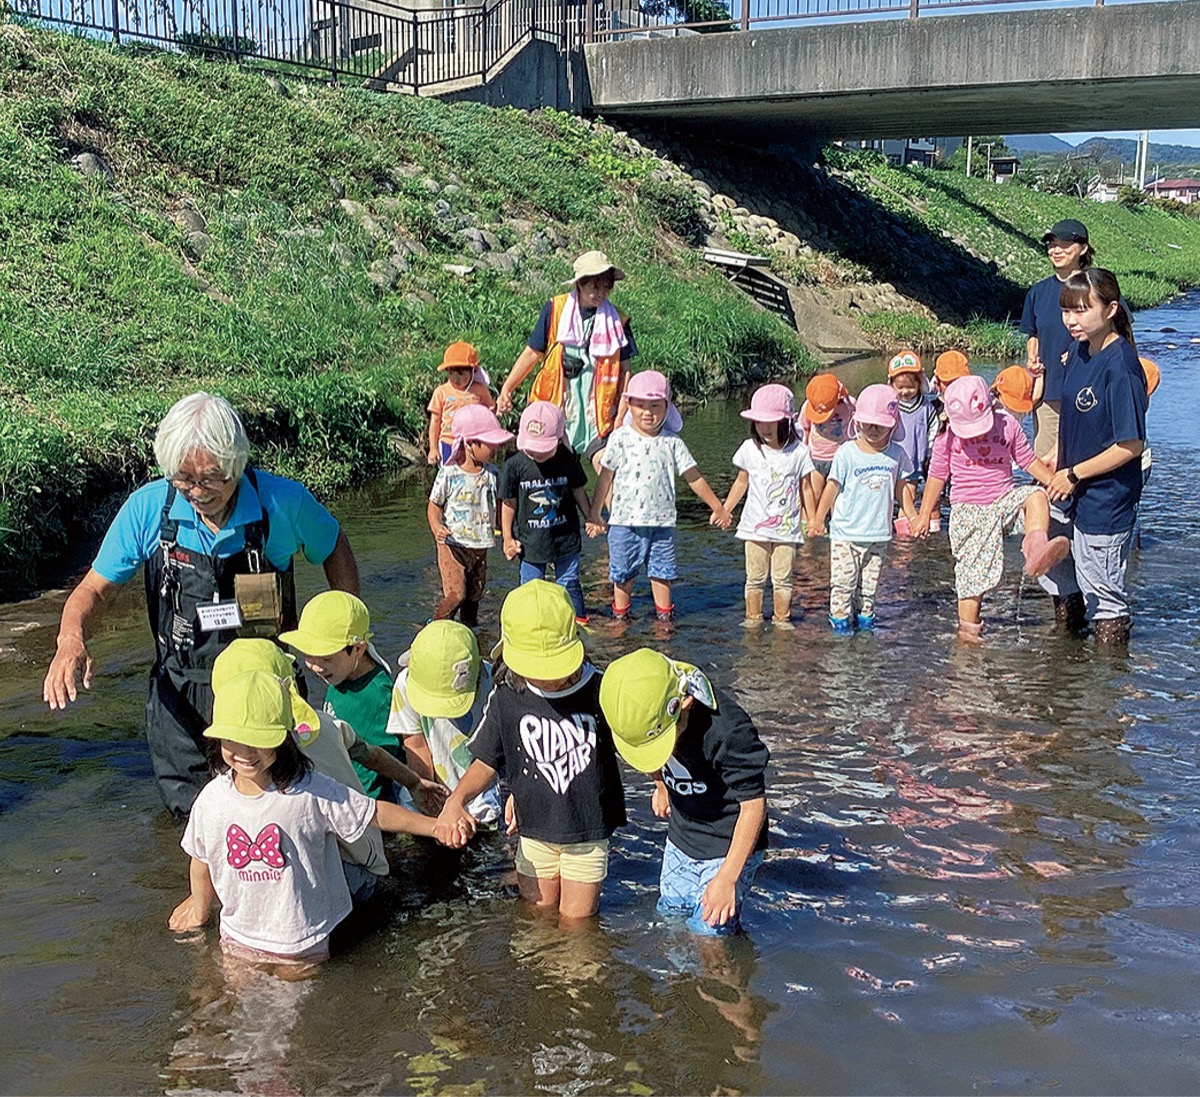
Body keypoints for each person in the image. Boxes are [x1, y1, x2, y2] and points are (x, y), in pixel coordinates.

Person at [42, 392, 359, 819]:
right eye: (184, 479)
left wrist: (344, 630)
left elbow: (334, 544)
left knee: (278, 810)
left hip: (266, 689)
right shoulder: (148, 510)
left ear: (239, 463)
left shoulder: (283, 503)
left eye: (213, 478)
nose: (198, 492)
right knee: (195, 821)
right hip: (180, 695)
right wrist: (70, 640)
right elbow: (94, 590)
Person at [168, 670, 469, 964]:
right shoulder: (212, 799)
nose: (246, 752)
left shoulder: (310, 790)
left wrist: (435, 827)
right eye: (234, 739)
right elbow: (201, 858)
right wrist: (200, 906)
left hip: (301, 940)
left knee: (301, 1009)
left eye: (259, 740)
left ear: (284, 738)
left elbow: (373, 813)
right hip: (239, 936)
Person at [433, 581, 627, 922]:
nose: (545, 678)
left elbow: (637, 741)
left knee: (577, 924)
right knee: (536, 918)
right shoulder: (507, 694)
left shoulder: (602, 689)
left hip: (587, 831)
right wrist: (456, 800)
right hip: (534, 829)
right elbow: (487, 759)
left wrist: (659, 781)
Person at [210, 640, 448, 903]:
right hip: (359, 857)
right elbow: (371, 755)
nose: (245, 751)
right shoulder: (326, 724)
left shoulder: (254, 768)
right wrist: (415, 783)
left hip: (346, 872)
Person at [599, 648, 769, 937]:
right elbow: (644, 753)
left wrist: (728, 878)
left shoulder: (728, 732)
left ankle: (726, 978)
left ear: (685, 703)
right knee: (671, 916)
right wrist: (660, 783)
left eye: (663, 742)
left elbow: (754, 806)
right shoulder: (630, 712)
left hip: (726, 846)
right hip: (681, 840)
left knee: (711, 934)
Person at [912, 375, 1069, 641]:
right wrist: (924, 514)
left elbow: (1028, 460)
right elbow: (937, 476)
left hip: (1003, 501)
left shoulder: (1006, 425)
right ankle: (968, 632)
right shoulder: (946, 437)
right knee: (972, 577)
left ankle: (1036, 550)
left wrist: (1054, 481)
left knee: (1037, 497)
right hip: (968, 511)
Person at [1042, 269, 1148, 646]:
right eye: (1067, 311)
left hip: (1105, 495)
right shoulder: (1077, 351)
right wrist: (1057, 455)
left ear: (1111, 309)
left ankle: (1105, 680)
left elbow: (1130, 446)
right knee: (1058, 571)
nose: (1072, 320)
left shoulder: (1122, 367)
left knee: (1103, 590)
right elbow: (1073, 415)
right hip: (1068, 486)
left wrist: (1073, 474)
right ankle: (1065, 655)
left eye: (1083, 310)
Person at [590, 370, 732, 622]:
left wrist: (717, 507)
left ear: (667, 407)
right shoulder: (621, 438)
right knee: (622, 575)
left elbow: (694, 477)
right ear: (629, 404)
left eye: (655, 406)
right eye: (640, 405)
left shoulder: (672, 442)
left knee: (662, 573)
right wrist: (595, 513)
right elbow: (605, 477)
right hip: (624, 522)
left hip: (662, 524)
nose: (648, 412)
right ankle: (620, 619)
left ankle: (664, 621)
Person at [496, 251, 637, 470]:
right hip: (558, 402)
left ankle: (610, 505)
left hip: (597, 408)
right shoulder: (555, 309)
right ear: (580, 284)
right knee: (552, 468)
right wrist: (507, 388)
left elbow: (626, 370)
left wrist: (621, 414)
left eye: (606, 287)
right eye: (595, 287)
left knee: (607, 466)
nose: (601, 293)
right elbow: (533, 352)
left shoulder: (618, 319)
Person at [809, 384, 918, 634]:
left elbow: (902, 489)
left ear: (892, 424)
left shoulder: (896, 454)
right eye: (867, 423)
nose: (873, 429)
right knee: (843, 586)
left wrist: (912, 516)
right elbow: (831, 487)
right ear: (858, 421)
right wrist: (817, 518)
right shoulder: (847, 453)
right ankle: (840, 633)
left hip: (878, 534)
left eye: (879, 424)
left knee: (868, 590)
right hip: (846, 534)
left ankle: (865, 629)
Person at [279, 591, 404, 802]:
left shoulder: (376, 697)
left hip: (356, 800)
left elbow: (376, 772)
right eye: (307, 655)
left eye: (325, 658)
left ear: (358, 648)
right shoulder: (340, 673)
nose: (314, 666)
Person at [387, 620, 503, 826]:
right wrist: (428, 797)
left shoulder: (492, 685)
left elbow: (494, 752)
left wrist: (459, 801)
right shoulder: (406, 684)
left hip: (481, 791)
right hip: (428, 782)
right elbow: (415, 745)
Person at [721, 383, 815, 629]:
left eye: (771, 422)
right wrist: (726, 509)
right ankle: (753, 618)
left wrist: (813, 519)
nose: (765, 428)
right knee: (755, 577)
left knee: (783, 578)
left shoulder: (799, 452)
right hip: (754, 526)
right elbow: (741, 482)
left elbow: (806, 487)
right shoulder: (750, 449)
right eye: (759, 422)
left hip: (787, 529)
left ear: (785, 421)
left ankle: (781, 619)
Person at [499, 401, 596, 623]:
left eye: (544, 448)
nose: (538, 454)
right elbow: (509, 502)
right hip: (531, 542)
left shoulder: (566, 458)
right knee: (531, 589)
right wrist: (507, 537)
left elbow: (578, 490)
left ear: (560, 438)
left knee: (570, 582)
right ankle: (532, 625)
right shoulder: (515, 464)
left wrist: (590, 516)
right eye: (533, 448)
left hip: (565, 538)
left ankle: (578, 623)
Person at [427, 404, 513, 627]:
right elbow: (434, 505)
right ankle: (435, 629)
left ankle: (470, 633)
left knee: (474, 597)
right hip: (452, 544)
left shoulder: (493, 474)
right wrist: (436, 526)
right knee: (457, 594)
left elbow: (500, 508)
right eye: (489, 443)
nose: (495, 448)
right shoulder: (450, 472)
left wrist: (508, 536)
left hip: (479, 546)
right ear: (469, 443)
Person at [1020, 219, 1095, 460]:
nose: (1056, 250)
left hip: (1089, 391)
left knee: (1083, 460)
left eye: (1064, 244)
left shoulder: (1097, 286)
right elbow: (1033, 332)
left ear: (1082, 248)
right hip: (1048, 393)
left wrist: (1081, 348)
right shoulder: (1038, 292)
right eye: (1052, 245)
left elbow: (1118, 334)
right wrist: (1032, 357)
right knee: (1044, 461)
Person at [427, 342, 496, 466]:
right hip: (448, 441)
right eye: (451, 374)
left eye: (461, 374)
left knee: (474, 473)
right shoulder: (441, 392)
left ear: (473, 371)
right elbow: (435, 422)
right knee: (449, 474)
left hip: (473, 444)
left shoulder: (480, 390)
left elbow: (490, 412)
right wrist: (433, 448)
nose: (456, 379)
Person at [797, 373, 856, 517]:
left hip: (839, 459)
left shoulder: (850, 405)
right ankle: (808, 526)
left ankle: (836, 527)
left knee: (836, 497)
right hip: (815, 458)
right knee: (814, 495)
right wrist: (802, 450)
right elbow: (804, 427)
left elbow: (858, 427)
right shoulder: (808, 406)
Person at [887, 350, 939, 484]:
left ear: (919, 384)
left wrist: (929, 450)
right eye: (900, 387)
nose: (905, 391)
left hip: (916, 459)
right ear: (892, 384)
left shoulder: (925, 407)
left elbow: (933, 429)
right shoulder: (891, 406)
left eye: (910, 387)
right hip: (893, 459)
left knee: (910, 491)